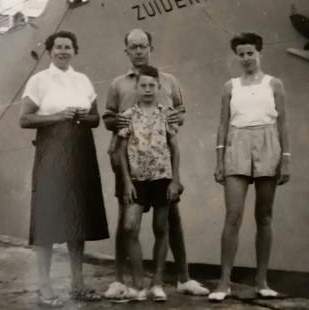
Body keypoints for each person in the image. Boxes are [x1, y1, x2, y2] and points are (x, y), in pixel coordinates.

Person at [103, 29, 209, 299]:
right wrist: (122, 122)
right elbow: (108, 119)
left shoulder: (170, 81)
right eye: (133, 47)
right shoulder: (118, 84)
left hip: (162, 164)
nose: (139, 51)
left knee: (172, 220)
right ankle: (119, 280)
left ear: (151, 47)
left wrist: (170, 122)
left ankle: (183, 277)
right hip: (127, 159)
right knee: (126, 222)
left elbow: (181, 113)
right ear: (126, 51)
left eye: (143, 46)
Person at [19, 30, 109, 307]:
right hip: (52, 153)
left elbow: (96, 119)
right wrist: (58, 116)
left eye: (68, 47)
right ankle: (44, 286)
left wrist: (84, 115)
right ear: (49, 51)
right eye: (58, 47)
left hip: (80, 152)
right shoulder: (39, 81)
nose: (62, 51)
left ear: (74, 50)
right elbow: (24, 119)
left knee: (78, 218)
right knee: (47, 217)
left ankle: (77, 284)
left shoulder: (82, 80)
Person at [209, 32, 291, 301]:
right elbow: (223, 124)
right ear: (237, 56)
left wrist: (286, 158)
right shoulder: (229, 86)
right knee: (233, 216)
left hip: (268, 143)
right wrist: (220, 160)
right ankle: (224, 283)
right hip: (237, 145)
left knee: (264, 216)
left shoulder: (274, 84)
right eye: (241, 54)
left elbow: (282, 124)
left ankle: (262, 281)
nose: (246, 58)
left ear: (260, 53)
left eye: (250, 53)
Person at [115, 66, 180, 302]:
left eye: (152, 85)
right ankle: (138, 285)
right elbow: (120, 151)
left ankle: (157, 284)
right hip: (137, 180)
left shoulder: (166, 114)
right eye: (143, 85)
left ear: (158, 87)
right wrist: (126, 182)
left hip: (162, 177)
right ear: (136, 87)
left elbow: (174, 147)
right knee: (130, 227)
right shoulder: (128, 115)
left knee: (161, 229)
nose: (148, 89)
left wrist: (175, 179)